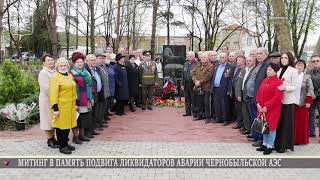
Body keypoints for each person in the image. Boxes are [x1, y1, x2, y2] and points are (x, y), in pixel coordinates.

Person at [49, 57, 77, 154]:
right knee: (61, 127)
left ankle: (65, 143)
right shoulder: (55, 78)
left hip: (70, 106)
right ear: (57, 67)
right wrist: (55, 108)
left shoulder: (69, 76)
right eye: (61, 65)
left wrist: (75, 103)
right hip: (61, 107)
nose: (63, 67)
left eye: (65, 65)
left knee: (67, 126)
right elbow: (53, 94)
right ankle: (62, 146)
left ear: (68, 66)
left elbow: (73, 90)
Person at [255, 63, 284, 155]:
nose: (268, 71)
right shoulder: (264, 80)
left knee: (271, 128)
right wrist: (258, 103)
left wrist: (266, 106)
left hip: (272, 109)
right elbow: (259, 93)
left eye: (270, 70)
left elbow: (277, 97)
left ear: (275, 71)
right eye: (267, 69)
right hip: (262, 108)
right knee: (264, 126)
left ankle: (270, 145)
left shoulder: (279, 82)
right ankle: (264, 144)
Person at [275, 51, 299, 153]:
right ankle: (278, 143)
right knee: (279, 123)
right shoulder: (279, 70)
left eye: (285, 58)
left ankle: (285, 145)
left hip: (288, 101)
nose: (283, 59)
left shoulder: (293, 70)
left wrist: (285, 87)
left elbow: (295, 86)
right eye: (282, 58)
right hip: (279, 101)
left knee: (286, 124)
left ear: (289, 59)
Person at [70, 52, 94, 142]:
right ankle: (75, 137)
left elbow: (90, 85)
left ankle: (82, 135)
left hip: (86, 98)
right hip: (78, 99)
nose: (80, 64)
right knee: (77, 119)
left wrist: (91, 97)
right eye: (77, 62)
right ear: (74, 63)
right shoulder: (72, 73)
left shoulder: (86, 72)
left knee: (84, 118)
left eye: (81, 62)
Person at [38, 54, 59, 148]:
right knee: (47, 120)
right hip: (46, 100)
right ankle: (49, 140)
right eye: (48, 60)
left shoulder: (55, 71)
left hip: (54, 100)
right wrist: (57, 94)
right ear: (44, 63)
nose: (51, 61)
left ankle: (53, 138)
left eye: (51, 60)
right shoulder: (43, 73)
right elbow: (46, 88)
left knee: (53, 120)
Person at [294, 60, 314, 145]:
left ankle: (301, 140)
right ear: (295, 66)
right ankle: (293, 139)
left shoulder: (307, 77)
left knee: (302, 122)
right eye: (298, 65)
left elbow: (310, 89)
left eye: (301, 66)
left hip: (302, 103)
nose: (299, 67)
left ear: (304, 68)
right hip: (292, 103)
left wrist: (309, 101)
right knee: (293, 122)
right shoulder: (292, 75)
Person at [212, 52, 234, 125]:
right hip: (216, 88)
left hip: (224, 88)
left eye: (223, 57)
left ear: (226, 58)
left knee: (224, 104)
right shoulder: (216, 65)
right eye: (220, 57)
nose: (221, 59)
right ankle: (219, 118)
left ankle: (226, 119)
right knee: (216, 103)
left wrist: (229, 89)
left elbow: (231, 79)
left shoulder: (230, 67)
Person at [191, 52, 213, 122]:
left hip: (206, 87)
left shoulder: (210, 66)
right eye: (202, 57)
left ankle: (207, 117)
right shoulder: (198, 65)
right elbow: (193, 73)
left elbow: (208, 76)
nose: (203, 59)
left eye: (204, 57)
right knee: (199, 102)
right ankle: (200, 115)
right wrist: (195, 81)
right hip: (198, 87)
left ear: (208, 58)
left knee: (206, 103)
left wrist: (199, 82)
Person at [241, 56, 256, 135]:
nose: (248, 62)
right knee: (245, 113)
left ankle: (252, 131)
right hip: (244, 93)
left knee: (251, 114)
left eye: (250, 60)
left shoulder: (254, 70)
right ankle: (248, 129)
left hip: (250, 94)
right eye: (247, 61)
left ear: (254, 61)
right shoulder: (246, 69)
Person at [182, 51, 200, 117]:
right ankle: (187, 112)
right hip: (186, 84)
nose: (189, 57)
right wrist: (182, 84)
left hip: (193, 84)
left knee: (194, 99)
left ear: (194, 56)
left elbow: (198, 75)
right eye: (188, 56)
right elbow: (183, 75)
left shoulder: (197, 64)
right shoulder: (185, 64)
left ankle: (194, 113)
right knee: (187, 99)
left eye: (191, 56)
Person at [232, 55, 246, 129]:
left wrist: (239, 94)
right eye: (237, 60)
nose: (238, 61)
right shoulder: (237, 69)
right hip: (235, 92)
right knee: (237, 109)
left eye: (240, 60)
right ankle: (239, 123)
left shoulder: (244, 70)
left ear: (244, 61)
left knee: (241, 110)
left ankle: (242, 124)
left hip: (240, 94)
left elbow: (242, 83)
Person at [96, 53, 110, 126]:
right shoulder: (96, 67)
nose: (102, 60)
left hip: (105, 90)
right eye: (100, 58)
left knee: (103, 107)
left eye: (103, 58)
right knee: (99, 108)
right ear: (96, 59)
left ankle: (101, 120)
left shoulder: (103, 66)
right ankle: (99, 122)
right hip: (100, 92)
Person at [308, 55, 320, 138]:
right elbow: (307, 84)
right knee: (311, 114)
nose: (315, 62)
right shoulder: (309, 72)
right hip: (311, 96)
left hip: (319, 96)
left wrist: (316, 93)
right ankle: (312, 132)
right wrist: (311, 94)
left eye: (317, 60)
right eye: (313, 61)